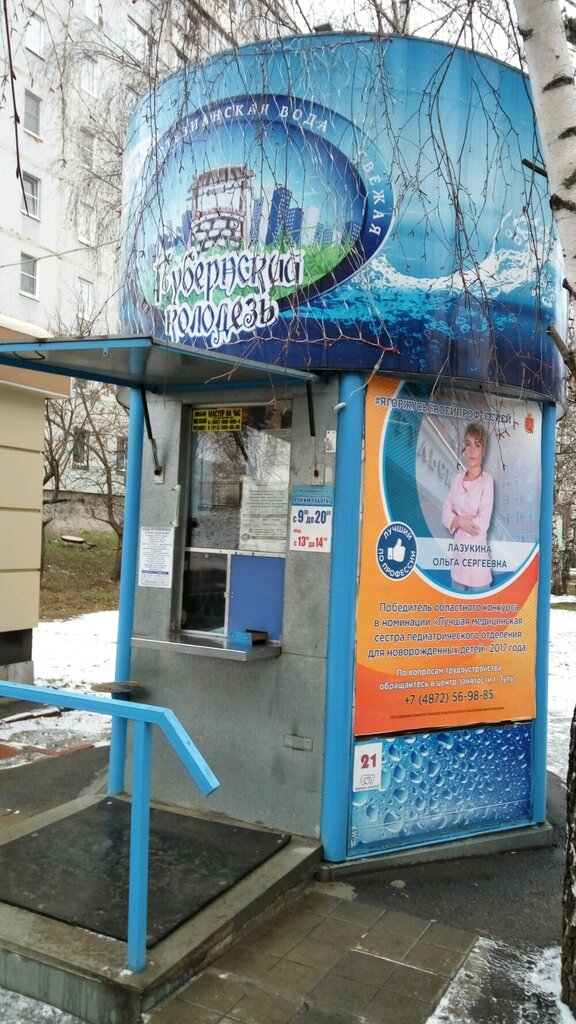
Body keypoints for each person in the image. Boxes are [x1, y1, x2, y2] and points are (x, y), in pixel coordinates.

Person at [441, 422, 494, 591]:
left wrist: (457, 522)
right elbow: (445, 511)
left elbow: (483, 522)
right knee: (457, 616)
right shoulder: (457, 479)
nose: (472, 450)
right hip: (458, 566)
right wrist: (461, 521)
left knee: (478, 616)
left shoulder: (487, 481)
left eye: (477, 445)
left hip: (478, 568)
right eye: (468, 444)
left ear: (483, 452)